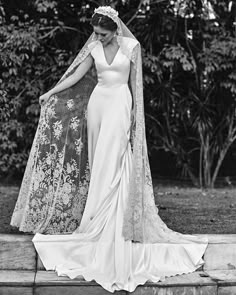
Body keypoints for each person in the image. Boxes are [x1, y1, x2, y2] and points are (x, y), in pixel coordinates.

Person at [11, 6, 208, 293]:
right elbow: (76, 76)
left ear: (115, 28)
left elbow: (134, 84)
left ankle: (117, 219)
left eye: (102, 33)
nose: (98, 37)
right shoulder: (93, 47)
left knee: (115, 160)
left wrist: (133, 118)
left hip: (119, 104)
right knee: (99, 162)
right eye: (96, 33)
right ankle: (94, 219)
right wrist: (51, 92)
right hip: (98, 106)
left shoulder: (132, 47)